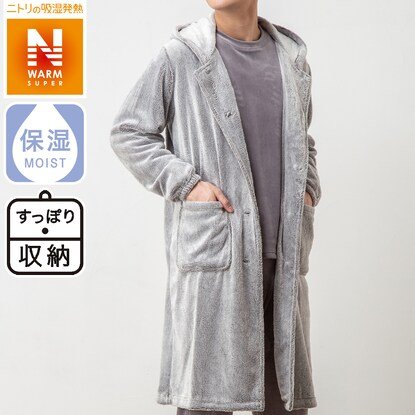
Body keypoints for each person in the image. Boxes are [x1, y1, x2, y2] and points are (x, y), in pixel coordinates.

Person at [110, 0, 321, 414]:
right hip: (217, 258)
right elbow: (128, 132)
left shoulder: (292, 60)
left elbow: (305, 140)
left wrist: (308, 190)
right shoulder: (182, 56)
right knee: (206, 401)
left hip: (283, 262)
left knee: (284, 403)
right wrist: (188, 185)